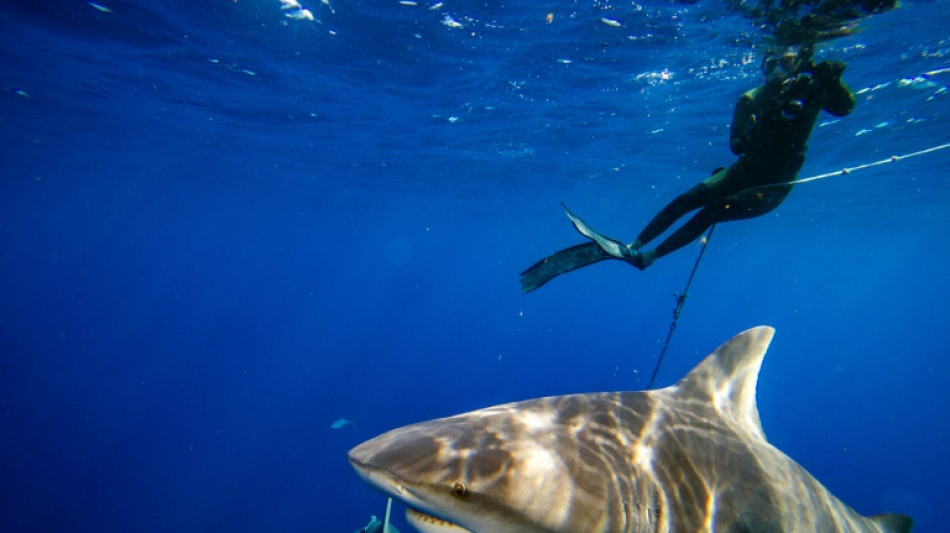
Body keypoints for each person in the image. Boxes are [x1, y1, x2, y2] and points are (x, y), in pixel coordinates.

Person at [520, 44, 856, 293]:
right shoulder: (751, 99)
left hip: (773, 186)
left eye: (784, 64)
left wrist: (832, 81)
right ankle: (634, 245)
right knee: (687, 199)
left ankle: (650, 256)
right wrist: (765, 123)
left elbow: (845, 108)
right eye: (770, 65)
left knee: (711, 212)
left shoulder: (811, 93)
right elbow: (737, 146)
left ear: (801, 62)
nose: (776, 72)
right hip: (743, 169)